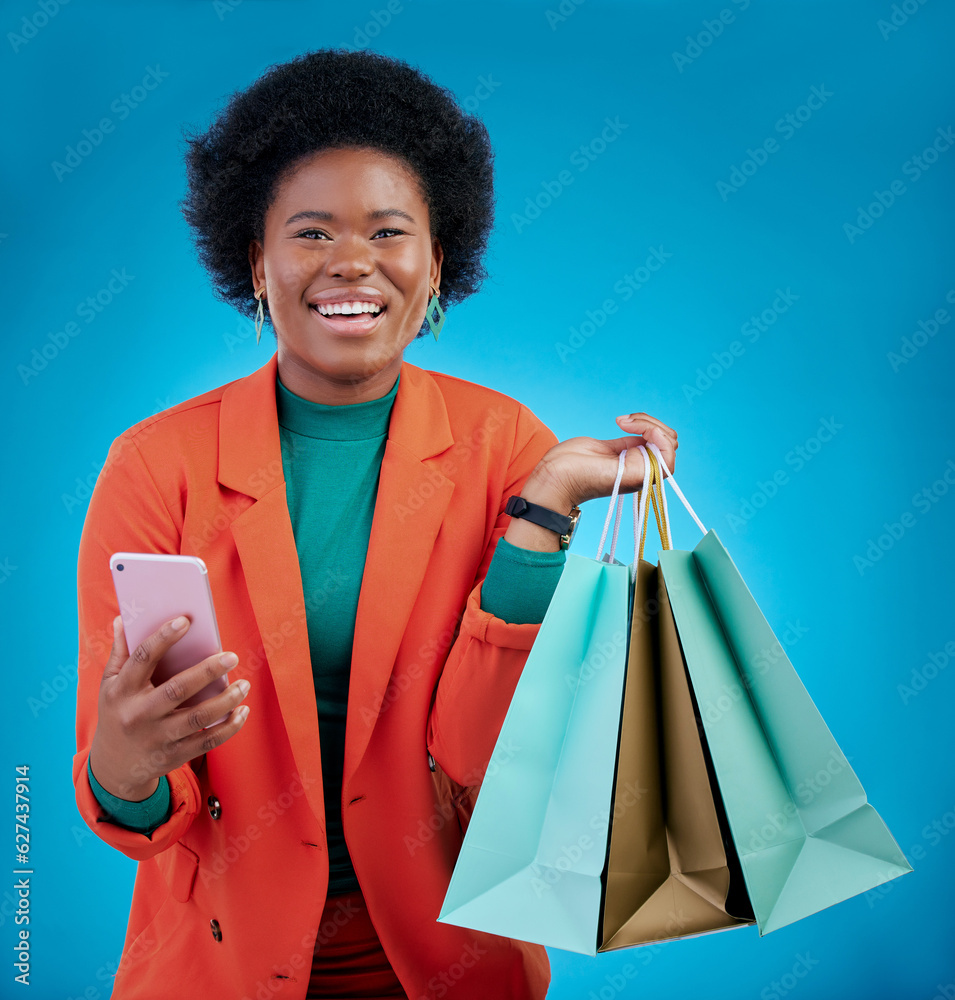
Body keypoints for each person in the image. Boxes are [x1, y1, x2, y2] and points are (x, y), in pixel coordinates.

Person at [72, 48, 678, 1000]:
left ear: (437, 261)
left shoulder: (503, 444)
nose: (350, 261)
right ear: (255, 263)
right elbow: (141, 813)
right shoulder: (156, 467)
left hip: (450, 963)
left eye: (387, 231)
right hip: (215, 969)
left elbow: (495, 766)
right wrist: (123, 761)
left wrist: (545, 506)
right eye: (310, 233)